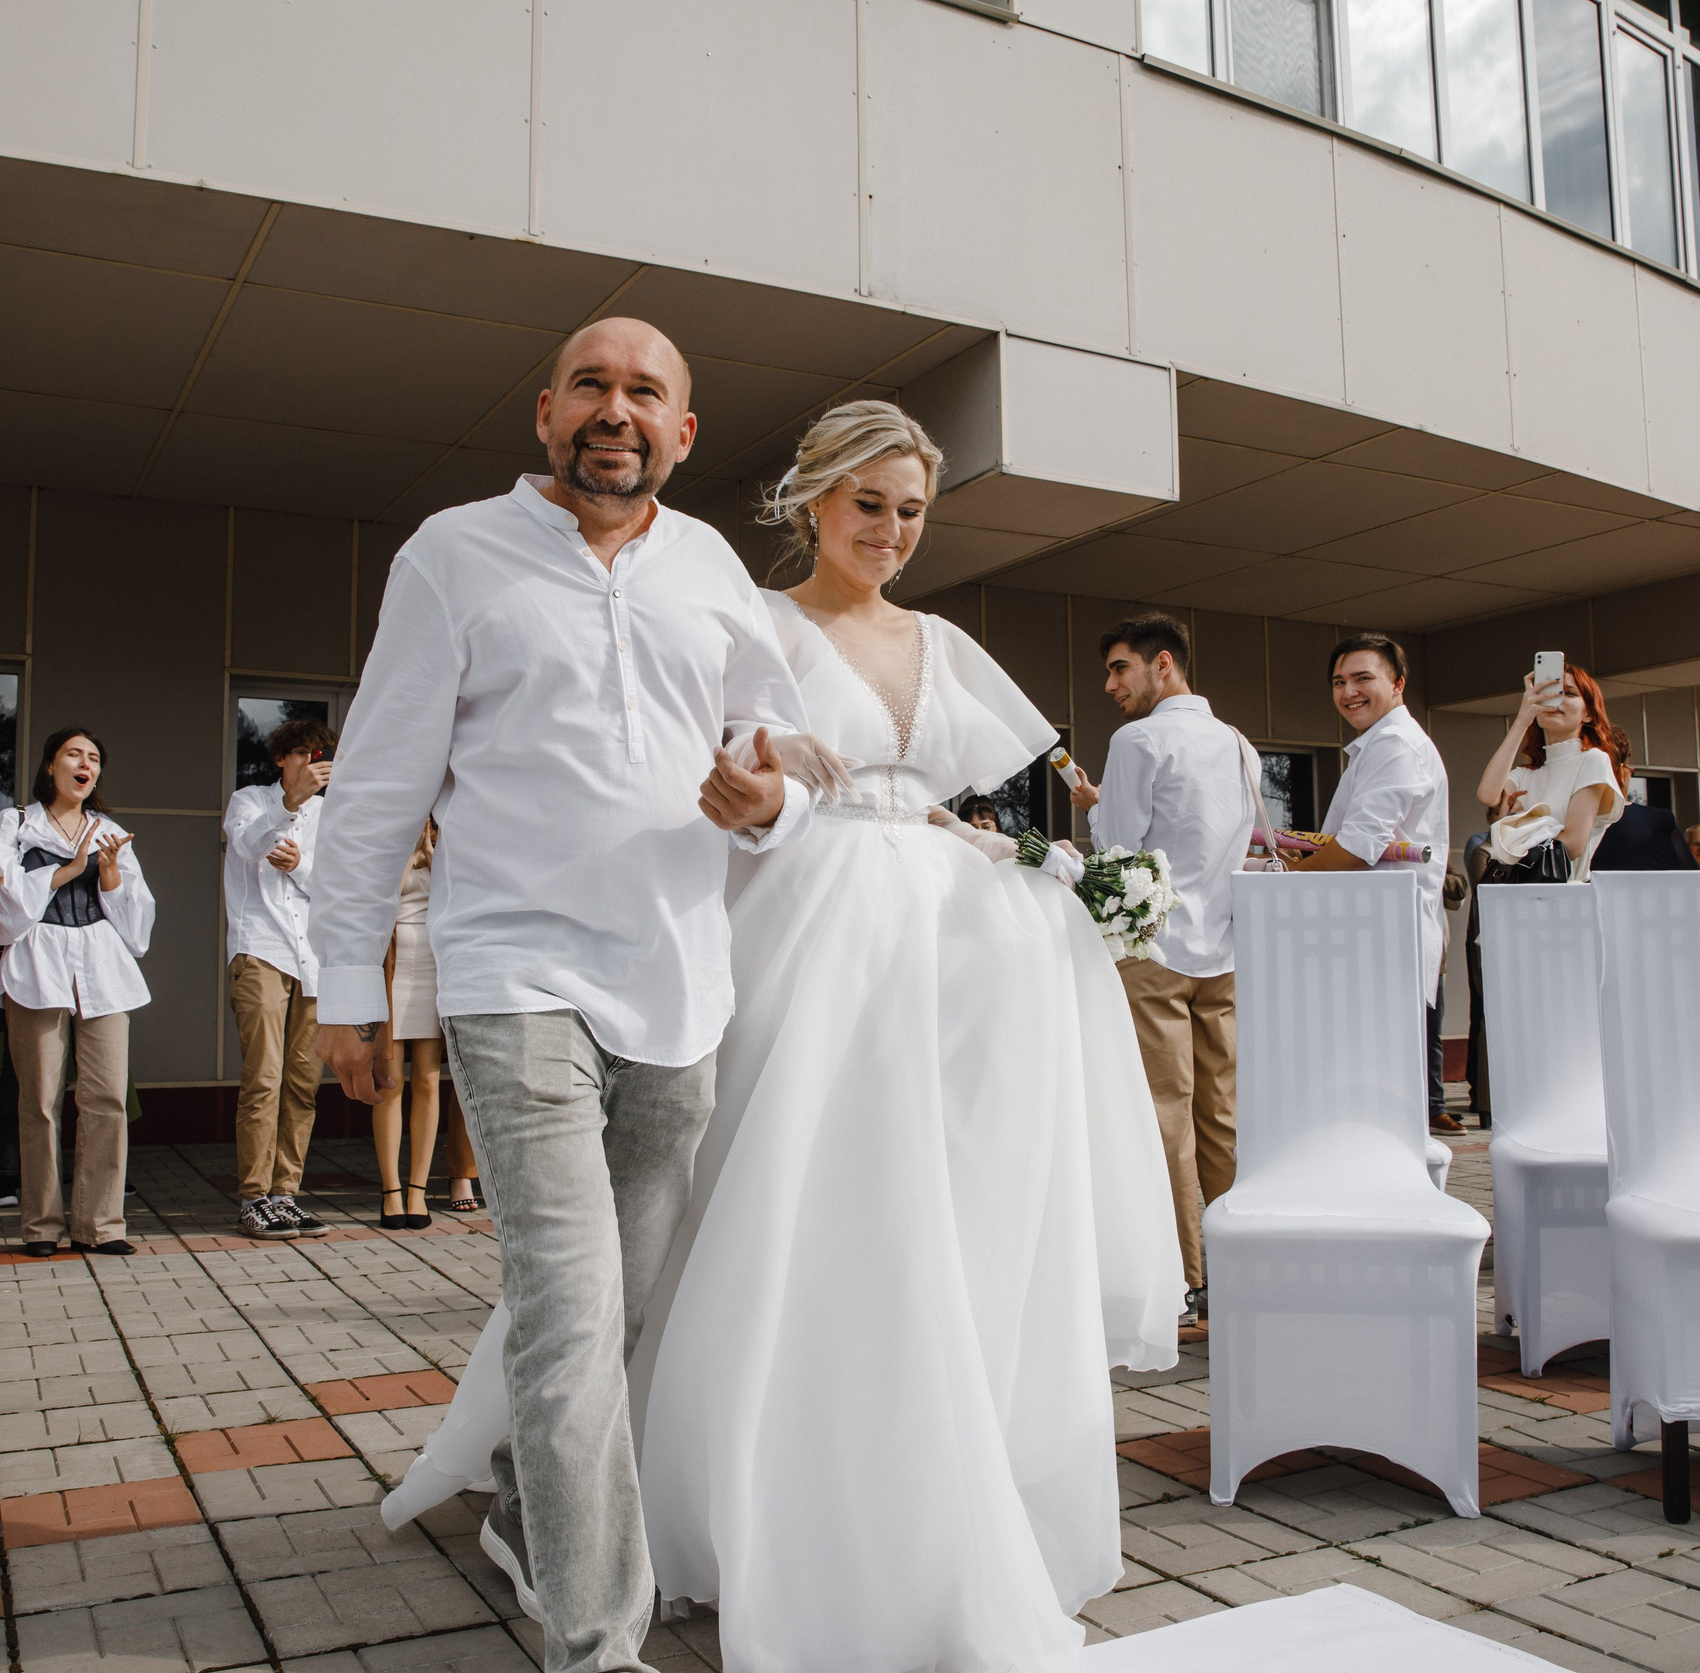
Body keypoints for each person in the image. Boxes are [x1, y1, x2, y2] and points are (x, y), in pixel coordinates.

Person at [372, 397, 1182, 1671]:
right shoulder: (747, 617)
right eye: (869, 504)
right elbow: (697, 772)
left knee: (926, 1217)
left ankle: (904, 1482)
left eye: (911, 510)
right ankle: (666, 1491)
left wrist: (1001, 851)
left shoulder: (940, 640)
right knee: (756, 1202)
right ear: (813, 499)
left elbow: (945, 795)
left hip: (947, 955)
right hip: (798, 927)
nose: (891, 530)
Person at [311, 318, 816, 1670]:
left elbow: (775, 756)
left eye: (645, 392)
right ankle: (597, 1639)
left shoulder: (710, 569)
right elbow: (376, 786)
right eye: (590, 385)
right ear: (545, 412)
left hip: (678, 983)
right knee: (572, 1306)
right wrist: (346, 986)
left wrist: (769, 805)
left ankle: (528, 1512)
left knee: (622, 1306)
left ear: (682, 432)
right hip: (513, 969)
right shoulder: (453, 553)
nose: (615, 409)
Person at [1067, 612, 1255, 1319]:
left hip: (1155, 949)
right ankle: (1240, 1264)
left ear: (1163, 664)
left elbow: (1119, 851)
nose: (1110, 684)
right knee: (1223, 1116)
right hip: (1224, 953)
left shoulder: (1137, 739)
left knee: (1165, 1117)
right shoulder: (1238, 743)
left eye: (1121, 668)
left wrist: (1094, 810)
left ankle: (1188, 1278)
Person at [0, 728, 156, 1255]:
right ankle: (41, 1225)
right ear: (50, 765)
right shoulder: (16, 823)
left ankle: (100, 1224)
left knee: (107, 1098)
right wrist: (67, 872)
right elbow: (1, 903)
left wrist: (109, 875)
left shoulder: (110, 830)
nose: (86, 764)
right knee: (39, 1101)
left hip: (102, 967)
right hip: (36, 963)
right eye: (74, 754)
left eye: (94, 758)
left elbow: (137, 928)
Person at [1289, 634, 1453, 1128]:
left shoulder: (1394, 744)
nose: (1348, 692)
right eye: (1339, 682)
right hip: (1372, 939)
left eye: (1363, 679)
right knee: (1374, 1097)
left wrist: (1284, 879)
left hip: (1383, 942)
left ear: (1398, 683)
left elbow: (1358, 848)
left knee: (1383, 1100)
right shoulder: (1377, 745)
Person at [224, 717, 334, 1242]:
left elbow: (338, 883)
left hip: (312, 957)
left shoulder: (330, 814)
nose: (313, 765)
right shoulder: (249, 799)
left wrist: (301, 867)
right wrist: (289, 804)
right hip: (261, 949)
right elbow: (248, 845)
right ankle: (254, 1198)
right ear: (281, 759)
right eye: (303, 754)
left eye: (320, 757)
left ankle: (286, 1195)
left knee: (303, 1082)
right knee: (263, 1078)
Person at [375, 820, 477, 1227]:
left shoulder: (445, 850)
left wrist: (433, 856)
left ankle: (417, 1191)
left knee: (428, 1080)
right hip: (394, 968)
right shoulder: (389, 844)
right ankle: (390, 1191)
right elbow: (380, 901)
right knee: (390, 1083)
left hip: (432, 968)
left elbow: (459, 899)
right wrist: (409, 856)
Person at [1473, 663, 1626, 881]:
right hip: (1517, 891)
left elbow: (1572, 844)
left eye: (1569, 693)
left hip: (1561, 893)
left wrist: (1520, 828)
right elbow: (1487, 795)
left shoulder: (1592, 760)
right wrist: (1523, 718)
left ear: (1588, 714)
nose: (1556, 699)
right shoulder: (1527, 773)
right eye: (1549, 693)